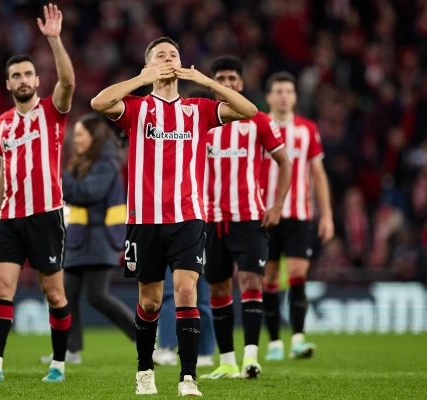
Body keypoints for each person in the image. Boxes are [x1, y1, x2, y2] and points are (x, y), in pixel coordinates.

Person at [91, 36, 257, 396]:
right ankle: (144, 370)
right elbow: (99, 101)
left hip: (188, 216)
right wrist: (141, 78)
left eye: (174, 54)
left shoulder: (198, 109)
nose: (169, 59)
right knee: (149, 301)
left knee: (185, 292)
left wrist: (209, 83)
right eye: (161, 55)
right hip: (144, 219)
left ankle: (188, 378)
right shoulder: (137, 108)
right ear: (149, 64)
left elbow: (249, 112)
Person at [0, 3, 75, 383]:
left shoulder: (51, 110)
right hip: (10, 217)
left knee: (53, 294)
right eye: (17, 75)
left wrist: (54, 40)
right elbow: (2, 168)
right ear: (8, 84)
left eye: (29, 73)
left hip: (46, 213)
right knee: (3, 287)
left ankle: (58, 365)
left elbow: (70, 83)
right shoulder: (3, 123)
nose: (24, 79)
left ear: (36, 80)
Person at [199, 56, 292, 380]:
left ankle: (251, 358)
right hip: (210, 220)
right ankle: (227, 362)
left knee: (251, 281)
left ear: (241, 83)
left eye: (232, 79)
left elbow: (285, 163)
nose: (226, 84)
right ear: (212, 84)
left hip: (249, 217)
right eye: (220, 78)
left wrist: (277, 206)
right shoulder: (200, 120)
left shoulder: (259, 121)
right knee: (218, 288)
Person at [40, 114, 136, 365]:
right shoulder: (84, 161)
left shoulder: (105, 163)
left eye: (81, 134)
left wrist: (58, 175)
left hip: (99, 238)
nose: (76, 138)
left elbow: (87, 193)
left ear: (94, 136)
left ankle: (144, 336)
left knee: (97, 295)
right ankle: (70, 350)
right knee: (68, 293)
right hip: (80, 238)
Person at [259, 72, 334, 361]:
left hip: (300, 213)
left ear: (295, 96)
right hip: (266, 214)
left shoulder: (307, 129)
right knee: (270, 278)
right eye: (278, 91)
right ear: (268, 97)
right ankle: (275, 342)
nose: (284, 96)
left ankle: (299, 339)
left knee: (299, 273)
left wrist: (326, 215)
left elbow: (318, 174)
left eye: (288, 91)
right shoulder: (258, 126)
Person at [153, 89, 217, 370]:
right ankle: (170, 345)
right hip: (180, 218)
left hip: (204, 220)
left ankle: (201, 350)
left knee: (195, 291)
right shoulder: (180, 139)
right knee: (177, 288)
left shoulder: (211, 140)